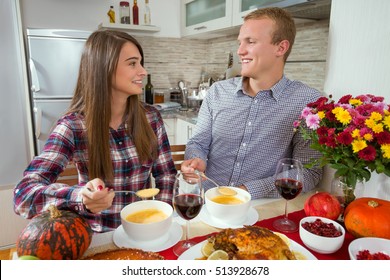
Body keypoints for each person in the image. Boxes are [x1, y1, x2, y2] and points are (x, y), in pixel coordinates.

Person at [14, 30, 177, 232]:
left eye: (141, 63)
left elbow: (166, 175)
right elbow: (23, 195)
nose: (143, 71)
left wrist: (162, 218)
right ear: (104, 69)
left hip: (145, 231)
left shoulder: (151, 117)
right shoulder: (73, 126)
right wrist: (81, 197)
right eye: (133, 63)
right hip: (98, 235)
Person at [181, 7, 323, 199]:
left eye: (251, 42)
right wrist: (196, 159)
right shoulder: (218, 92)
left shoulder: (308, 102)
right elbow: (198, 142)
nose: (240, 51)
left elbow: (308, 172)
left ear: (280, 48)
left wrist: (247, 191)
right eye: (240, 42)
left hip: (259, 208)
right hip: (205, 202)